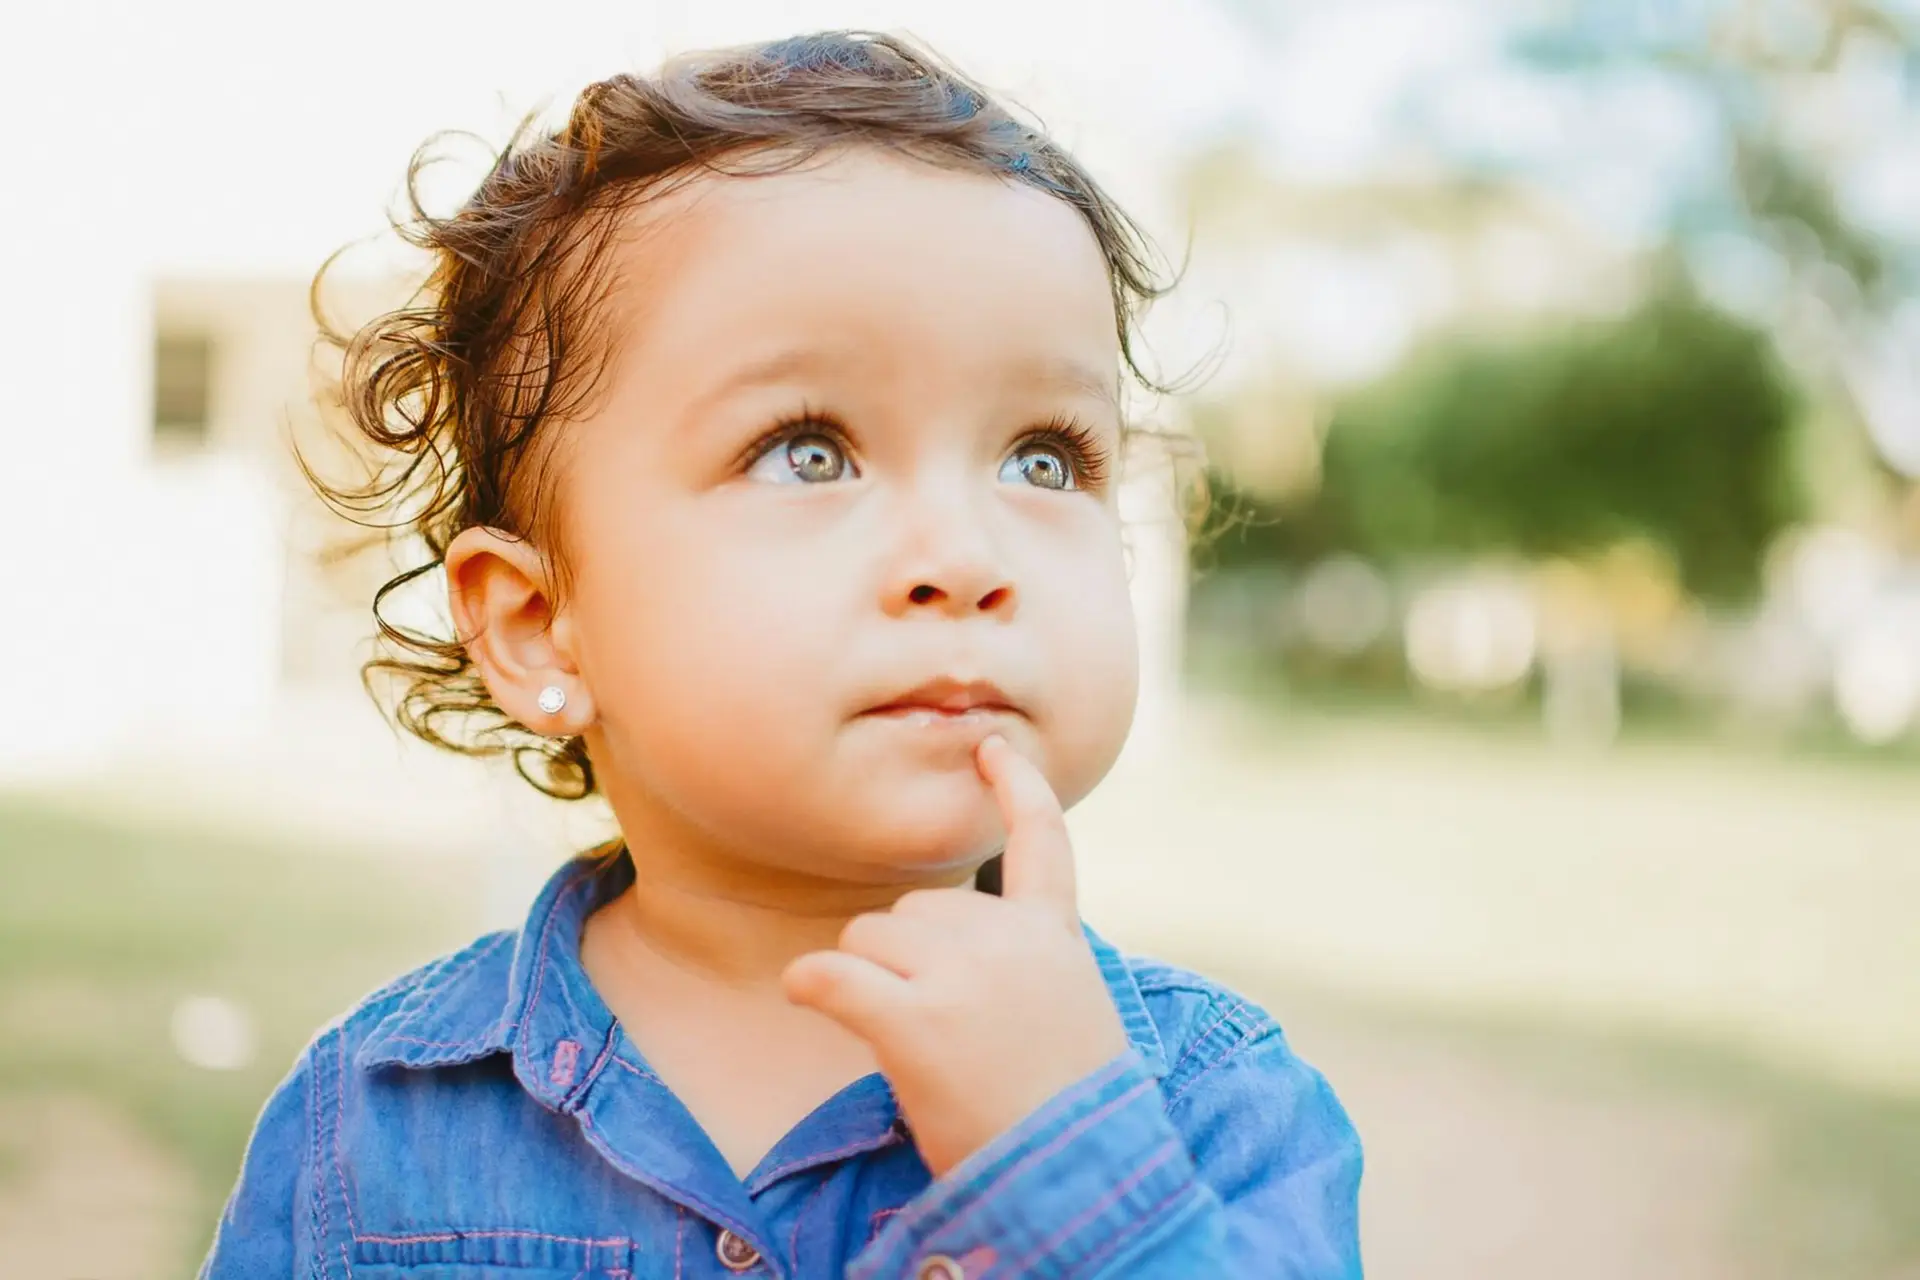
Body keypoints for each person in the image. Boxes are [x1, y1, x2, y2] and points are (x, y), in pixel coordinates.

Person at [201, 29, 1362, 1279]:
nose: (967, 554)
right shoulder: (370, 1134)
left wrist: (1064, 1166)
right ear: (538, 623)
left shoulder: (1216, 1107)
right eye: (808, 449)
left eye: (1043, 456)